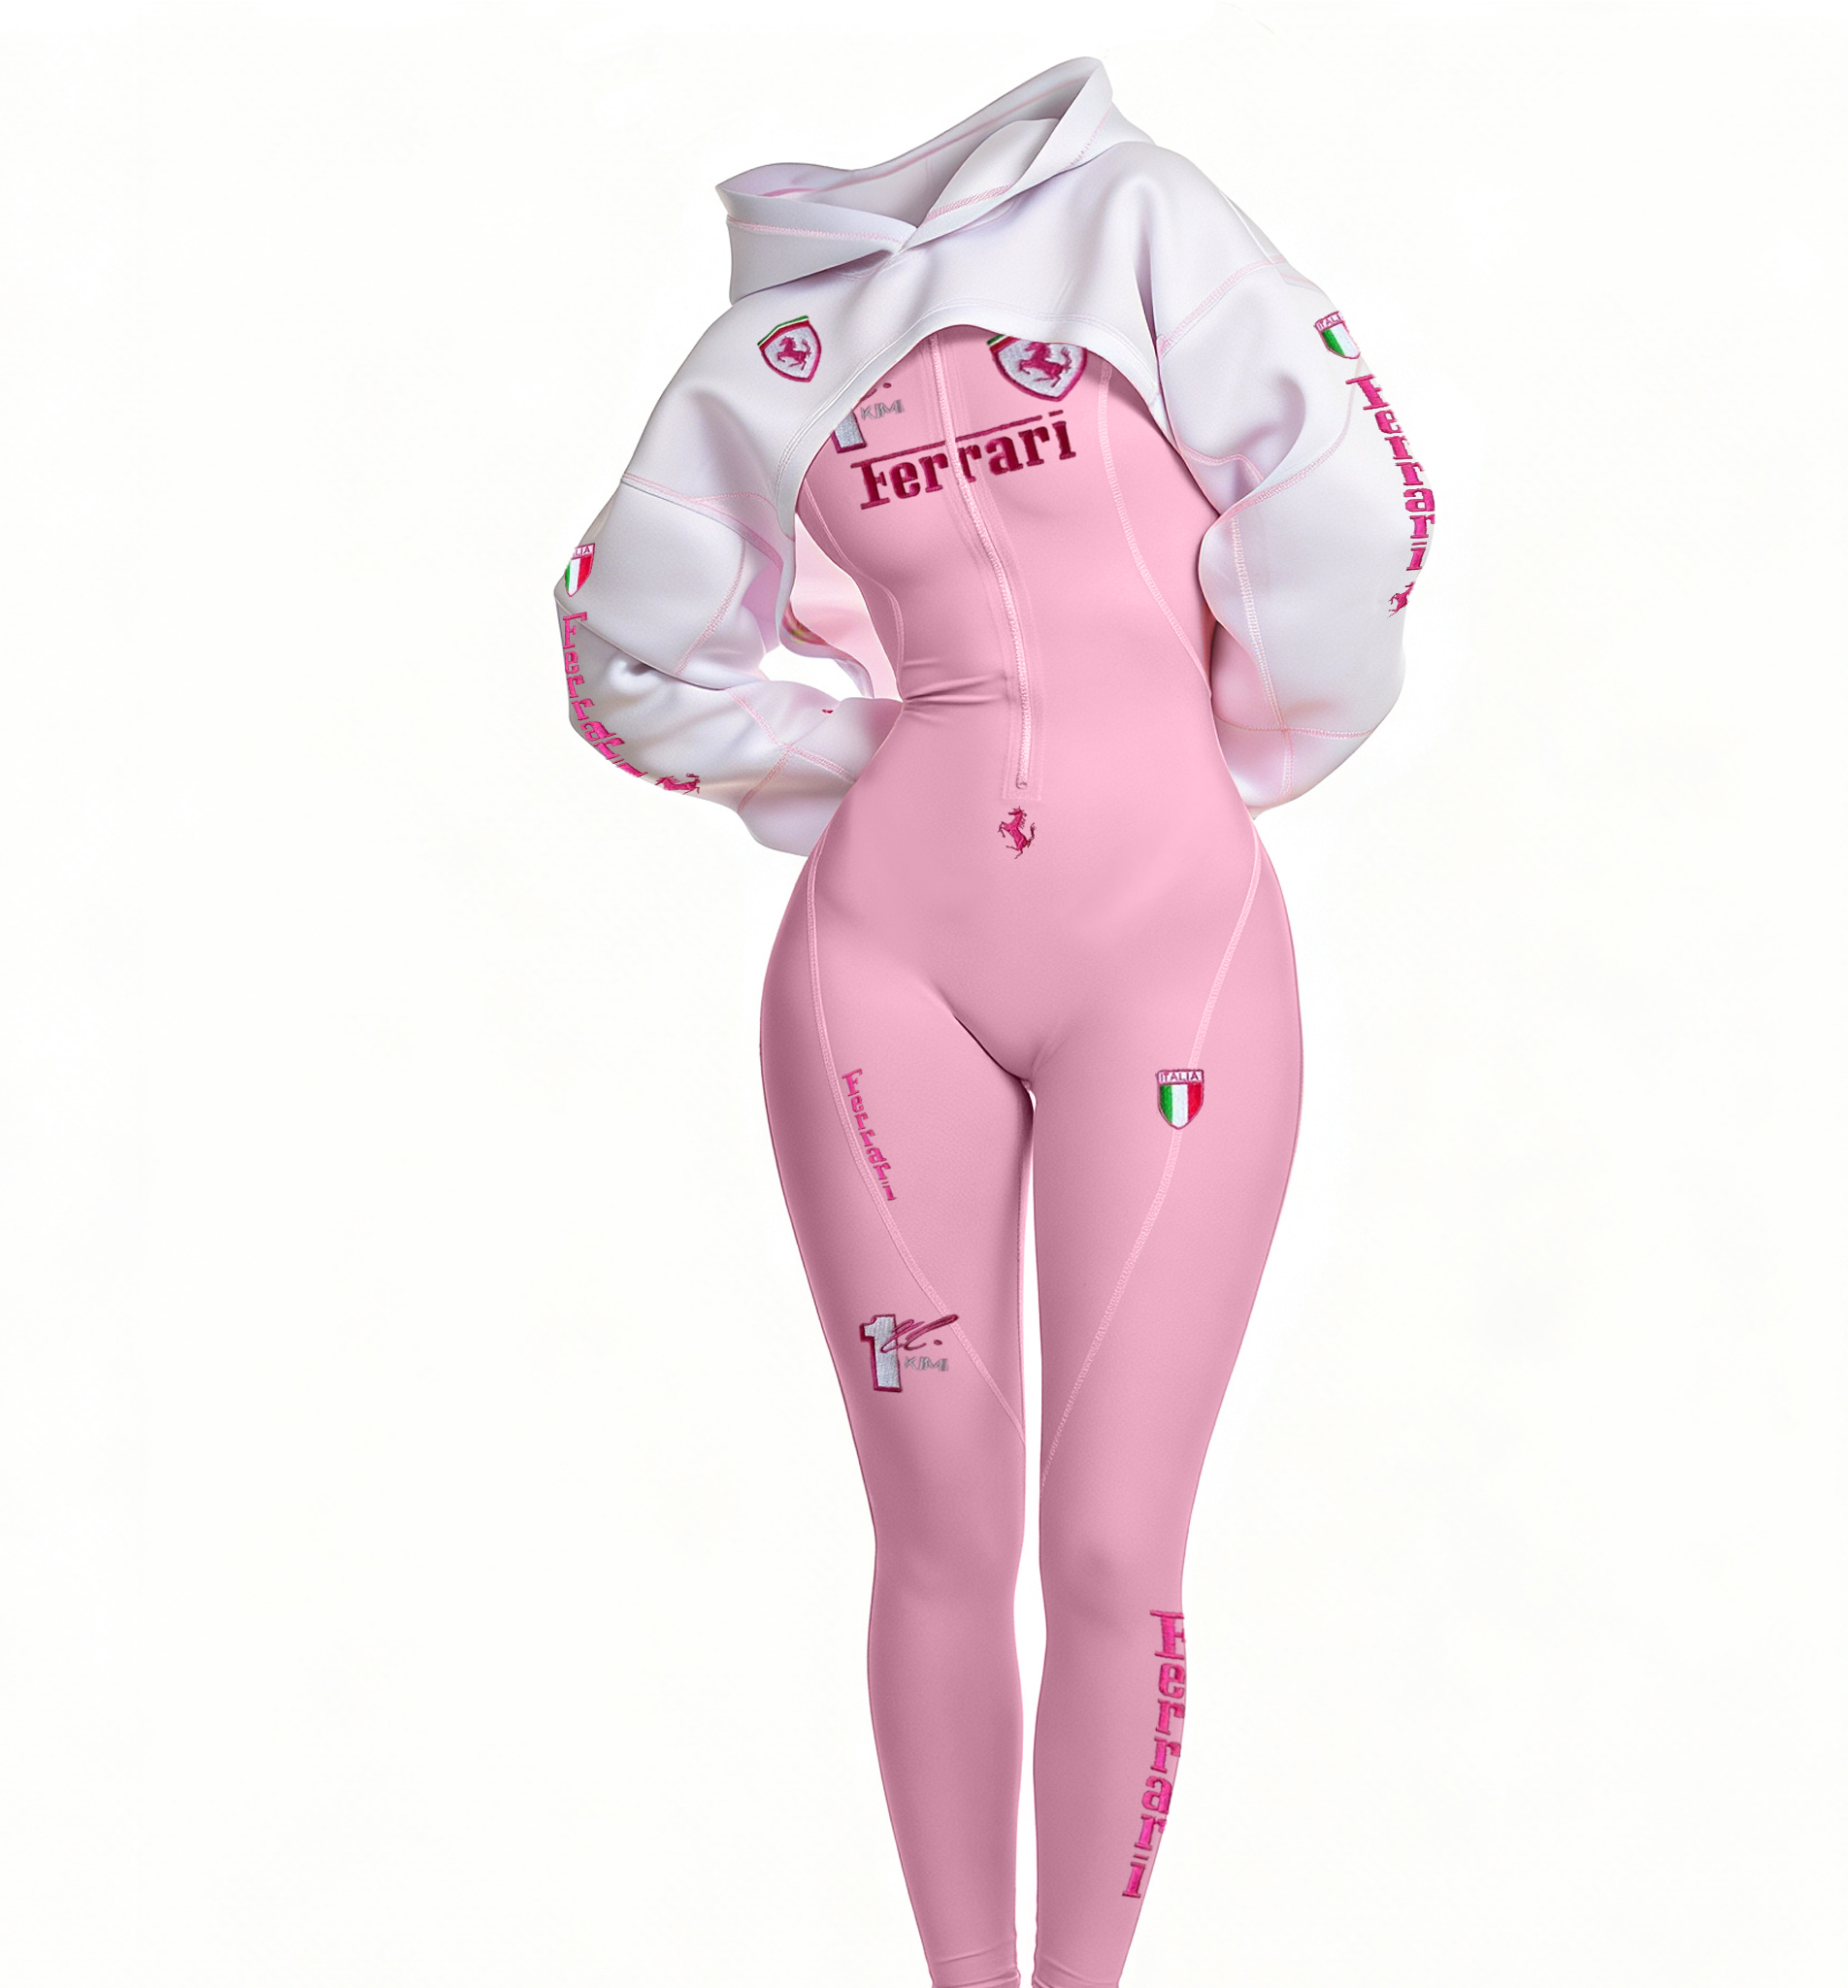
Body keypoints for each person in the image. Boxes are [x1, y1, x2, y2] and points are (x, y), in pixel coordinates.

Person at [554, 53, 1429, 1988]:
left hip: (1170, 957)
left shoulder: (1141, 221)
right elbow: (626, 646)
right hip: (884, 971)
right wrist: (885, 759)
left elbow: (1343, 497)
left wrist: (1222, 756)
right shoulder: (764, 355)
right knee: (941, 1545)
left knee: (1115, 1550)